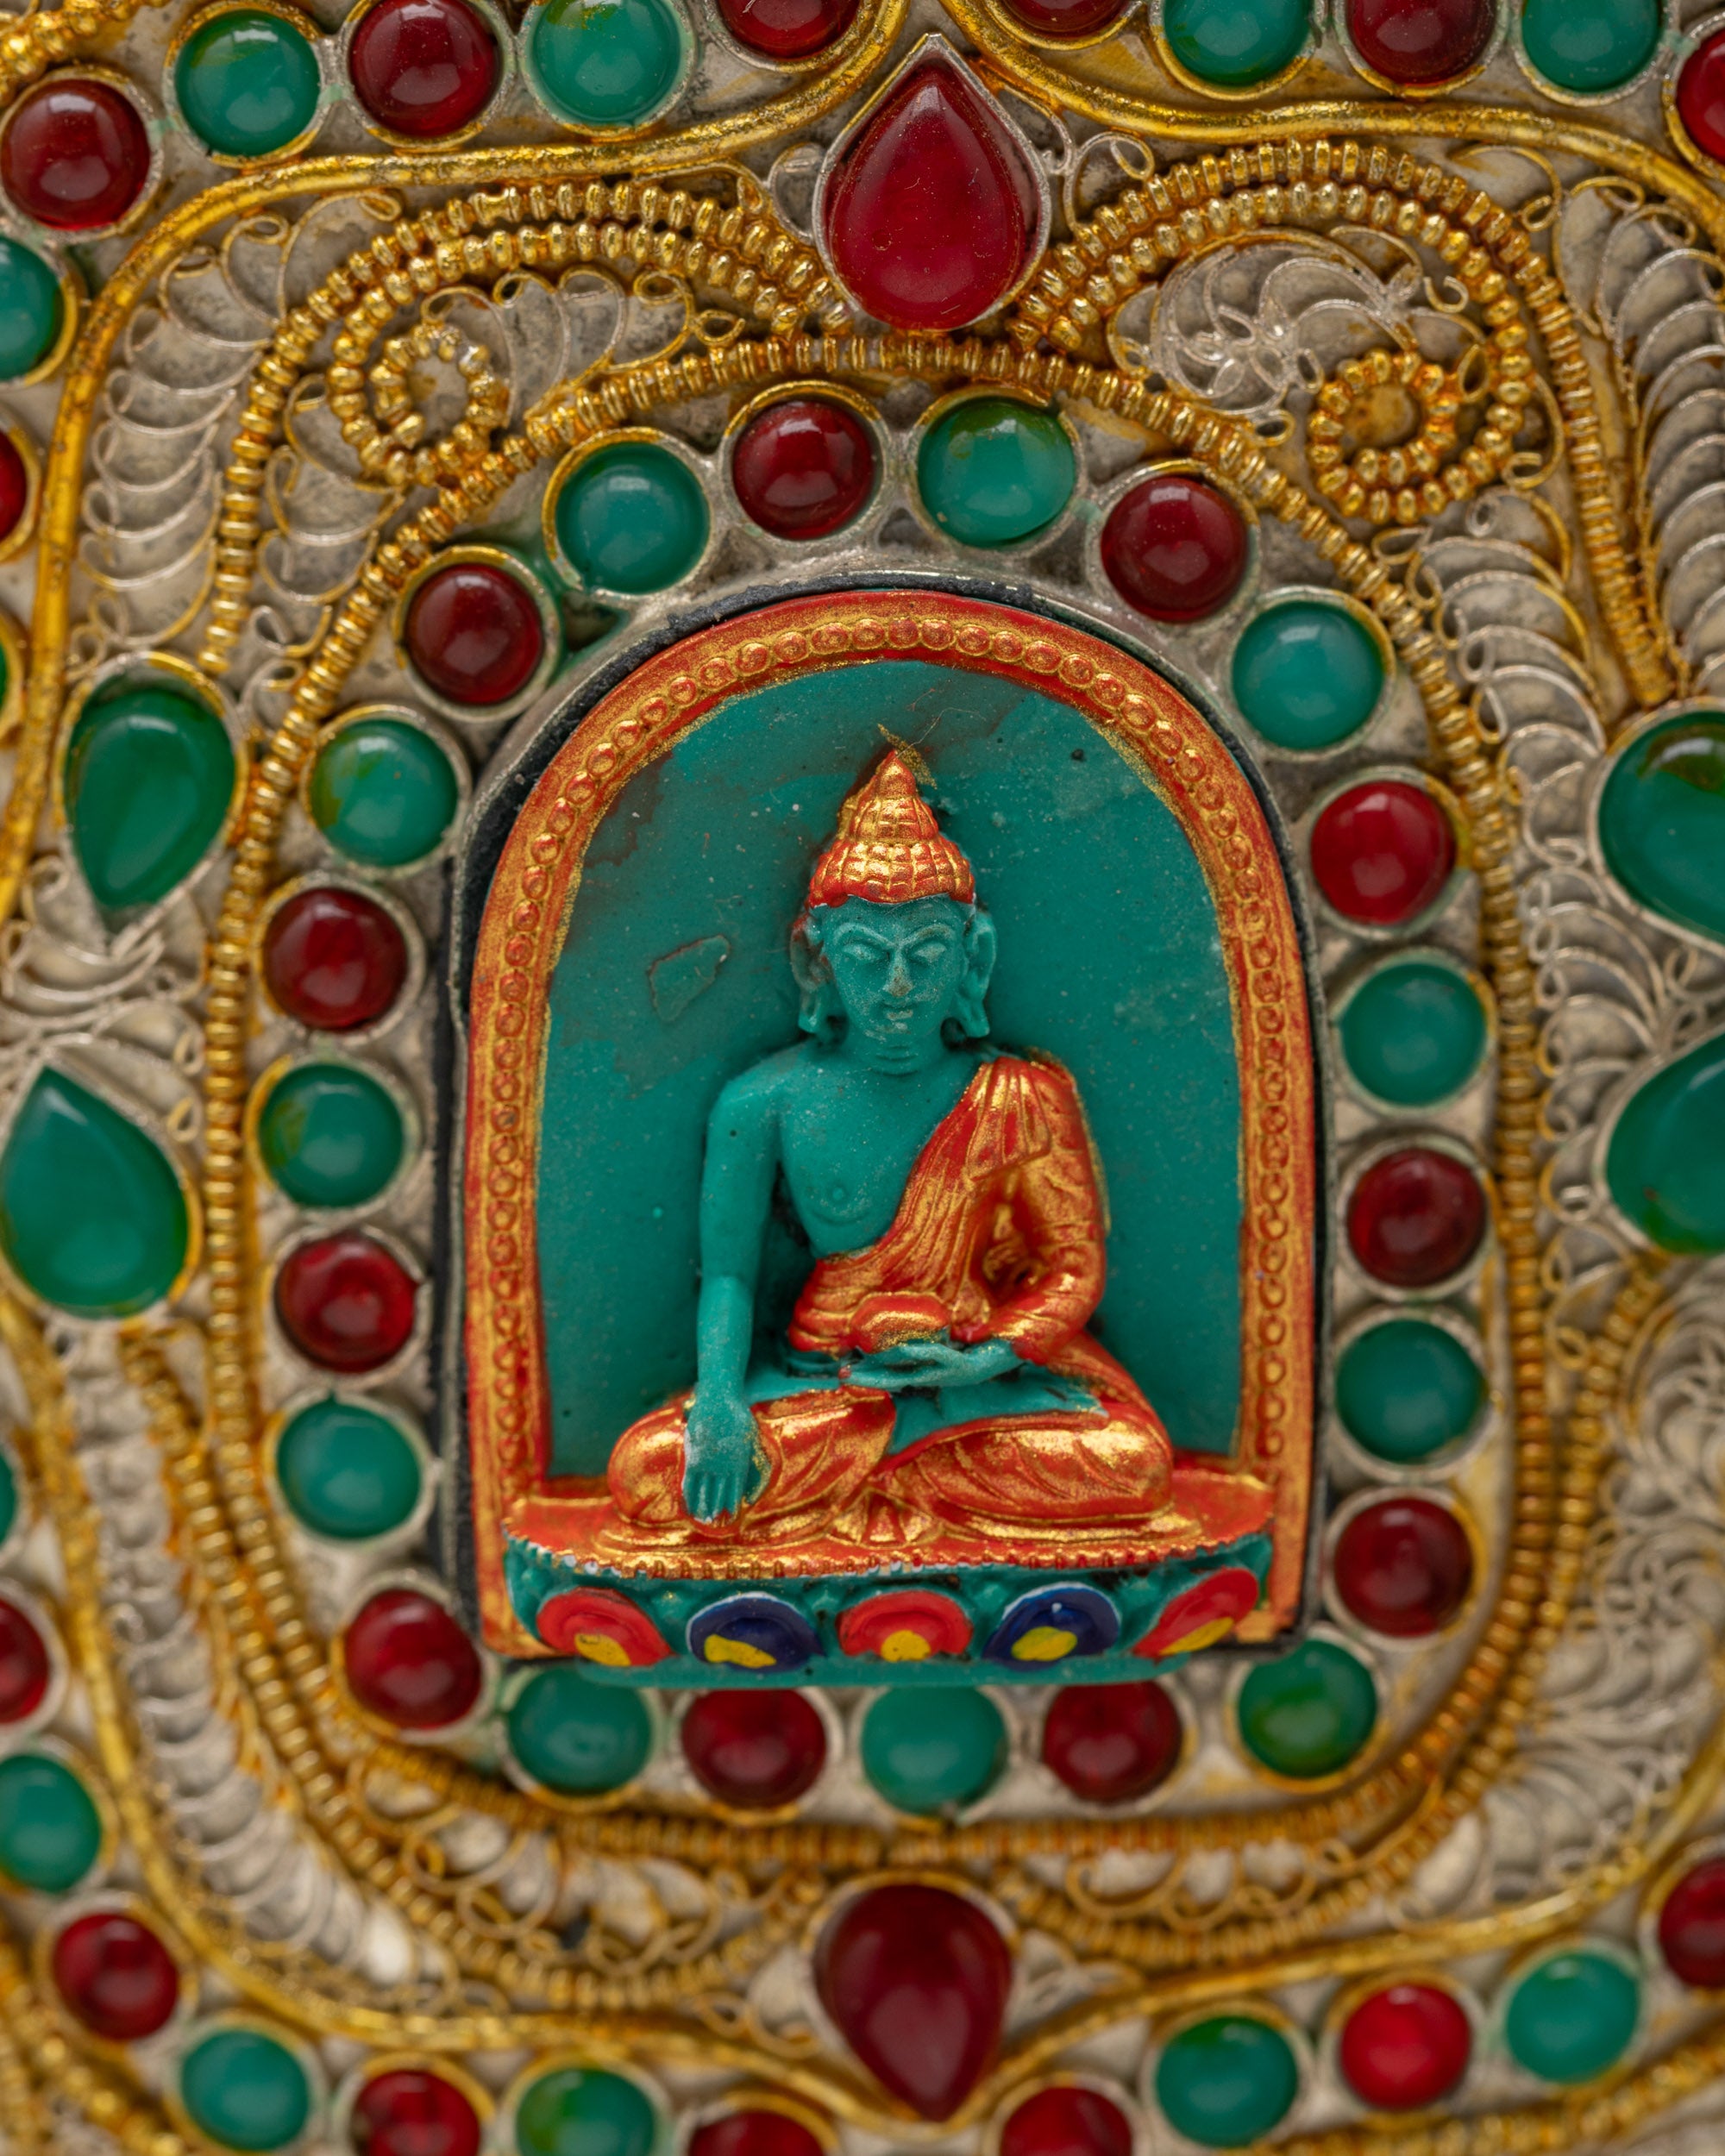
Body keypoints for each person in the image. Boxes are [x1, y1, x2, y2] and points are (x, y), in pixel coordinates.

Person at [605, 749, 1181, 1554]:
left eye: (929, 953)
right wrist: (719, 1404)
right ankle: (894, 1478)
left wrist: (987, 1360)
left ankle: (873, 1484)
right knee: (648, 1469)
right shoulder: (762, 1102)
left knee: (1134, 1467)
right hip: (825, 1384)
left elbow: (1071, 1268)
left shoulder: (1019, 1099)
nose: (900, 985)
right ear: (818, 961)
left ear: (972, 958)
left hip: (975, 1381)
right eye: (869, 957)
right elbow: (732, 1276)